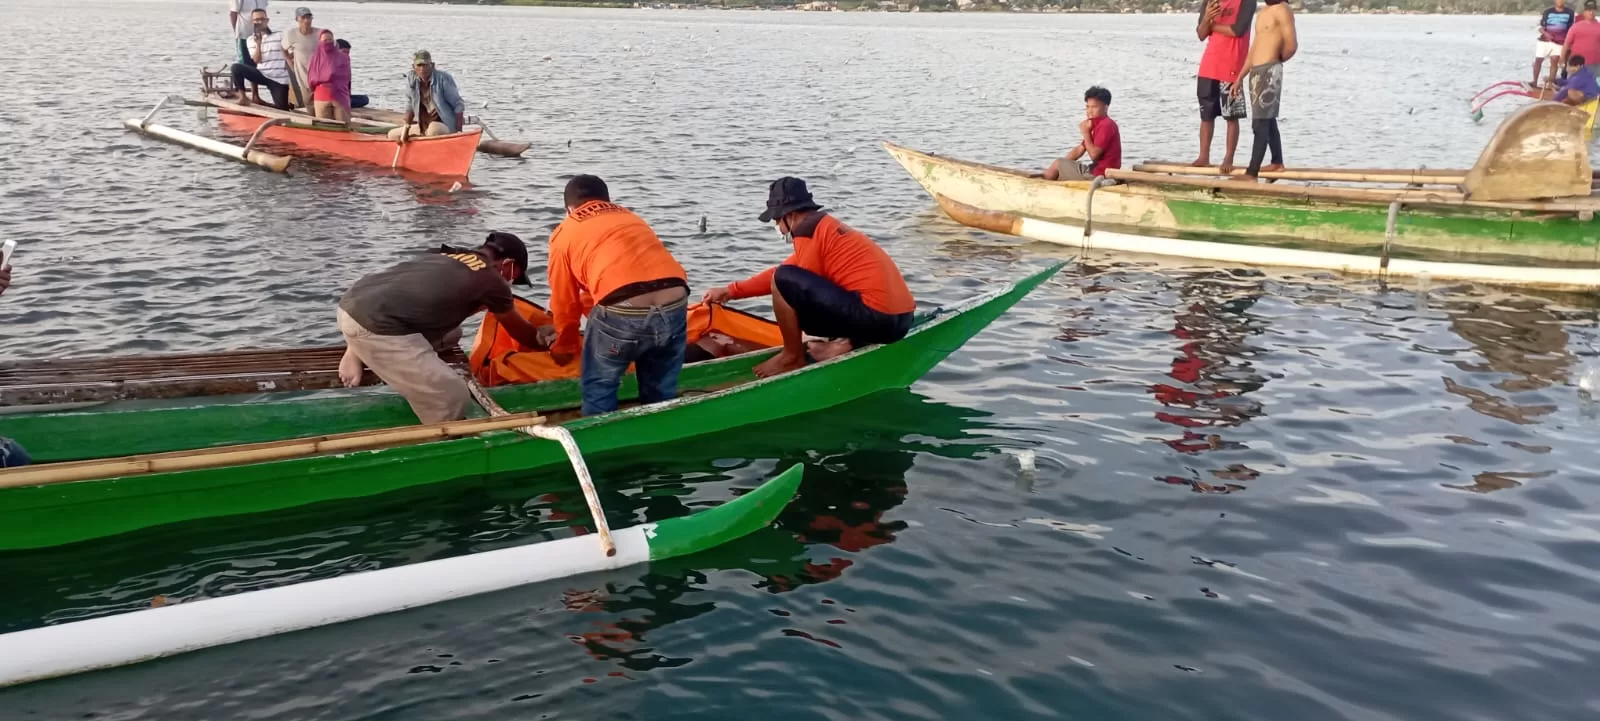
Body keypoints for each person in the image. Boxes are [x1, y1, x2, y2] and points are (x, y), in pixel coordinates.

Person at [702, 178, 915, 378]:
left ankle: (791, 357)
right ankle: (844, 344)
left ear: (789, 215)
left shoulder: (807, 230)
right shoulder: (824, 228)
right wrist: (731, 291)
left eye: (777, 220)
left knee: (784, 284)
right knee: (785, 277)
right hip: (901, 320)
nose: (777, 226)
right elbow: (787, 270)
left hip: (878, 321)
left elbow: (785, 281)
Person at [336, 233, 553, 424]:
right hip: (375, 327)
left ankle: (355, 348)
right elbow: (520, 333)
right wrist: (543, 338)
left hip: (352, 305)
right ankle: (442, 440)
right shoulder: (493, 280)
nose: (511, 283)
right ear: (508, 265)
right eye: (514, 277)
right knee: (453, 395)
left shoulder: (445, 254)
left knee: (453, 334)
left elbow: (409, 298)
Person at [545, 176, 691, 416]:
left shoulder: (565, 232)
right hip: (675, 299)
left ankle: (599, 440)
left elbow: (565, 302)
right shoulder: (630, 217)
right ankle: (661, 424)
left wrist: (565, 344)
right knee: (661, 387)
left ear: (569, 208)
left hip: (624, 308)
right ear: (607, 200)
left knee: (600, 387)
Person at [1232, 0, 1297, 182]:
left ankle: (1251, 174)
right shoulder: (1262, 13)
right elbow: (1254, 48)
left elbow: (1291, 45)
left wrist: (1274, 63)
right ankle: (1277, 161)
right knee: (1267, 120)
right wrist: (1240, 77)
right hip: (1256, 72)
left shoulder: (1283, 9)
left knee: (1261, 123)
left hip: (1269, 70)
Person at [1194, 0, 1257, 172]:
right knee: (1206, 115)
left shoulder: (1247, 2)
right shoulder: (1210, 2)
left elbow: (1237, 30)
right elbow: (1201, 33)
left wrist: (1211, 26)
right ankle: (1203, 156)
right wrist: (1207, 18)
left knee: (1231, 115)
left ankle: (1228, 157)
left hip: (1232, 66)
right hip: (1209, 65)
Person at [1044, 86, 1122, 181]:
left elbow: (1094, 155)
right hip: (1098, 171)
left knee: (1057, 163)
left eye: (1094, 107)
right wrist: (1063, 165)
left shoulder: (1106, 124)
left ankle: (1040, 188)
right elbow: (1079, 150)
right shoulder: (1096, 124)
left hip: (1101, 175)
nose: (1089, 111)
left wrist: (1085, 132)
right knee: (1059, 165)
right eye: (1087, 107)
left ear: (1105, 108)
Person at [389, 51, 464, 141]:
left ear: (432, 65)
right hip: (423, 126)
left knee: (433, 130)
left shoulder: (443, 79)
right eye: (419, 65)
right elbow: (410, 104)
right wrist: (406, 128)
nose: (422, 68)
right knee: (392, 135)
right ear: (414, 67)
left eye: (425, 65)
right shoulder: (412, 80)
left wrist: (459, 132)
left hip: (444, 125)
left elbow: (458, 105)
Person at [228, 9, 292, 110]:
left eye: (262, 19)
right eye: (256, 20)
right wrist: (259, 43)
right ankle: (243, 96)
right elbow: (257, 60)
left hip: (279, 79)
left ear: (267, 20)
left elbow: (291, 51)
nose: (259, 22)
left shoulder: (280, 36)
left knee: (282, 109)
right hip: (262, 74)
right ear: (252, 22)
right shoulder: (250, 40)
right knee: (236, 68)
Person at [280, 7, 320, 109]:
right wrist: (290, 61)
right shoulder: (291, 34)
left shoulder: (319, 33)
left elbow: (333, 47)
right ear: (297, 19)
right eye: (303, 18)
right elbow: (283, 48)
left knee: (321, 102)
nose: (306, 21)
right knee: (308, 102)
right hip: (303, 75)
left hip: (319, 75)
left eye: (309, 17)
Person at [308, 30, 351, 121]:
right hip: (322, 95)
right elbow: (311, 78)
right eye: (325, 40)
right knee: (325, 128)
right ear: (320, 41)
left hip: (339, 95)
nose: (328, 42)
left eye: (330, 40)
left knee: (343, 127)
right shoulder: (315, 58)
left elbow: (347, 78)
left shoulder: (343, 57)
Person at [1564, 1, 1600, 80]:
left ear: (1596, 11)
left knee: (1595, 88)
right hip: (1577, 64)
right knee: (1572, 86)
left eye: (1593, 10)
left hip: (1595, 64)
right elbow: (1566, 44)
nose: (1591, 12)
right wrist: (1562, 58)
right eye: (1588, 10)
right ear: (1584, 12)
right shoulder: (1575, 27)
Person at [229, 0, 270, 65]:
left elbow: (264, 13)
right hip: (243, 35)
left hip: (260, 36)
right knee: (244, 63)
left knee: (260, 63)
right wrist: (236, 33)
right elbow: (233, 14)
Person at [336, 39, 370, 109]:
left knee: (365, 98)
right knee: (364, 100)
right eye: (344, 52)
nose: (346, 55)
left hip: (343, 96)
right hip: (334, 98)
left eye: (348, 53)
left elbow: (347, 85)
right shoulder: (332, 64)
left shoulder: (345, 63)